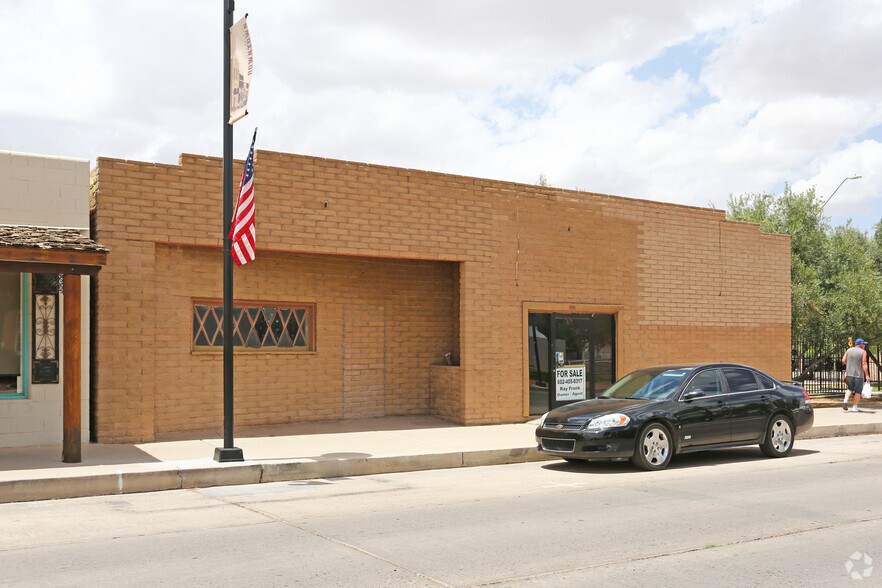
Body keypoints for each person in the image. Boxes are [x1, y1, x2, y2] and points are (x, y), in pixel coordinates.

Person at [842, 338, 870, 412]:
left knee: (850, 388)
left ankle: (845, 401)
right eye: (863, 344)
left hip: (849, 374)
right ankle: (854, 407)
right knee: (858, 391)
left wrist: (850, 365)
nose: (864, 345)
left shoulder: (848, 350)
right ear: (860, 344)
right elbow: (864, 363)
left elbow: (843, 360)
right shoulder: (863, 352)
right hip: (858, 375)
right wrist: (867, 375)